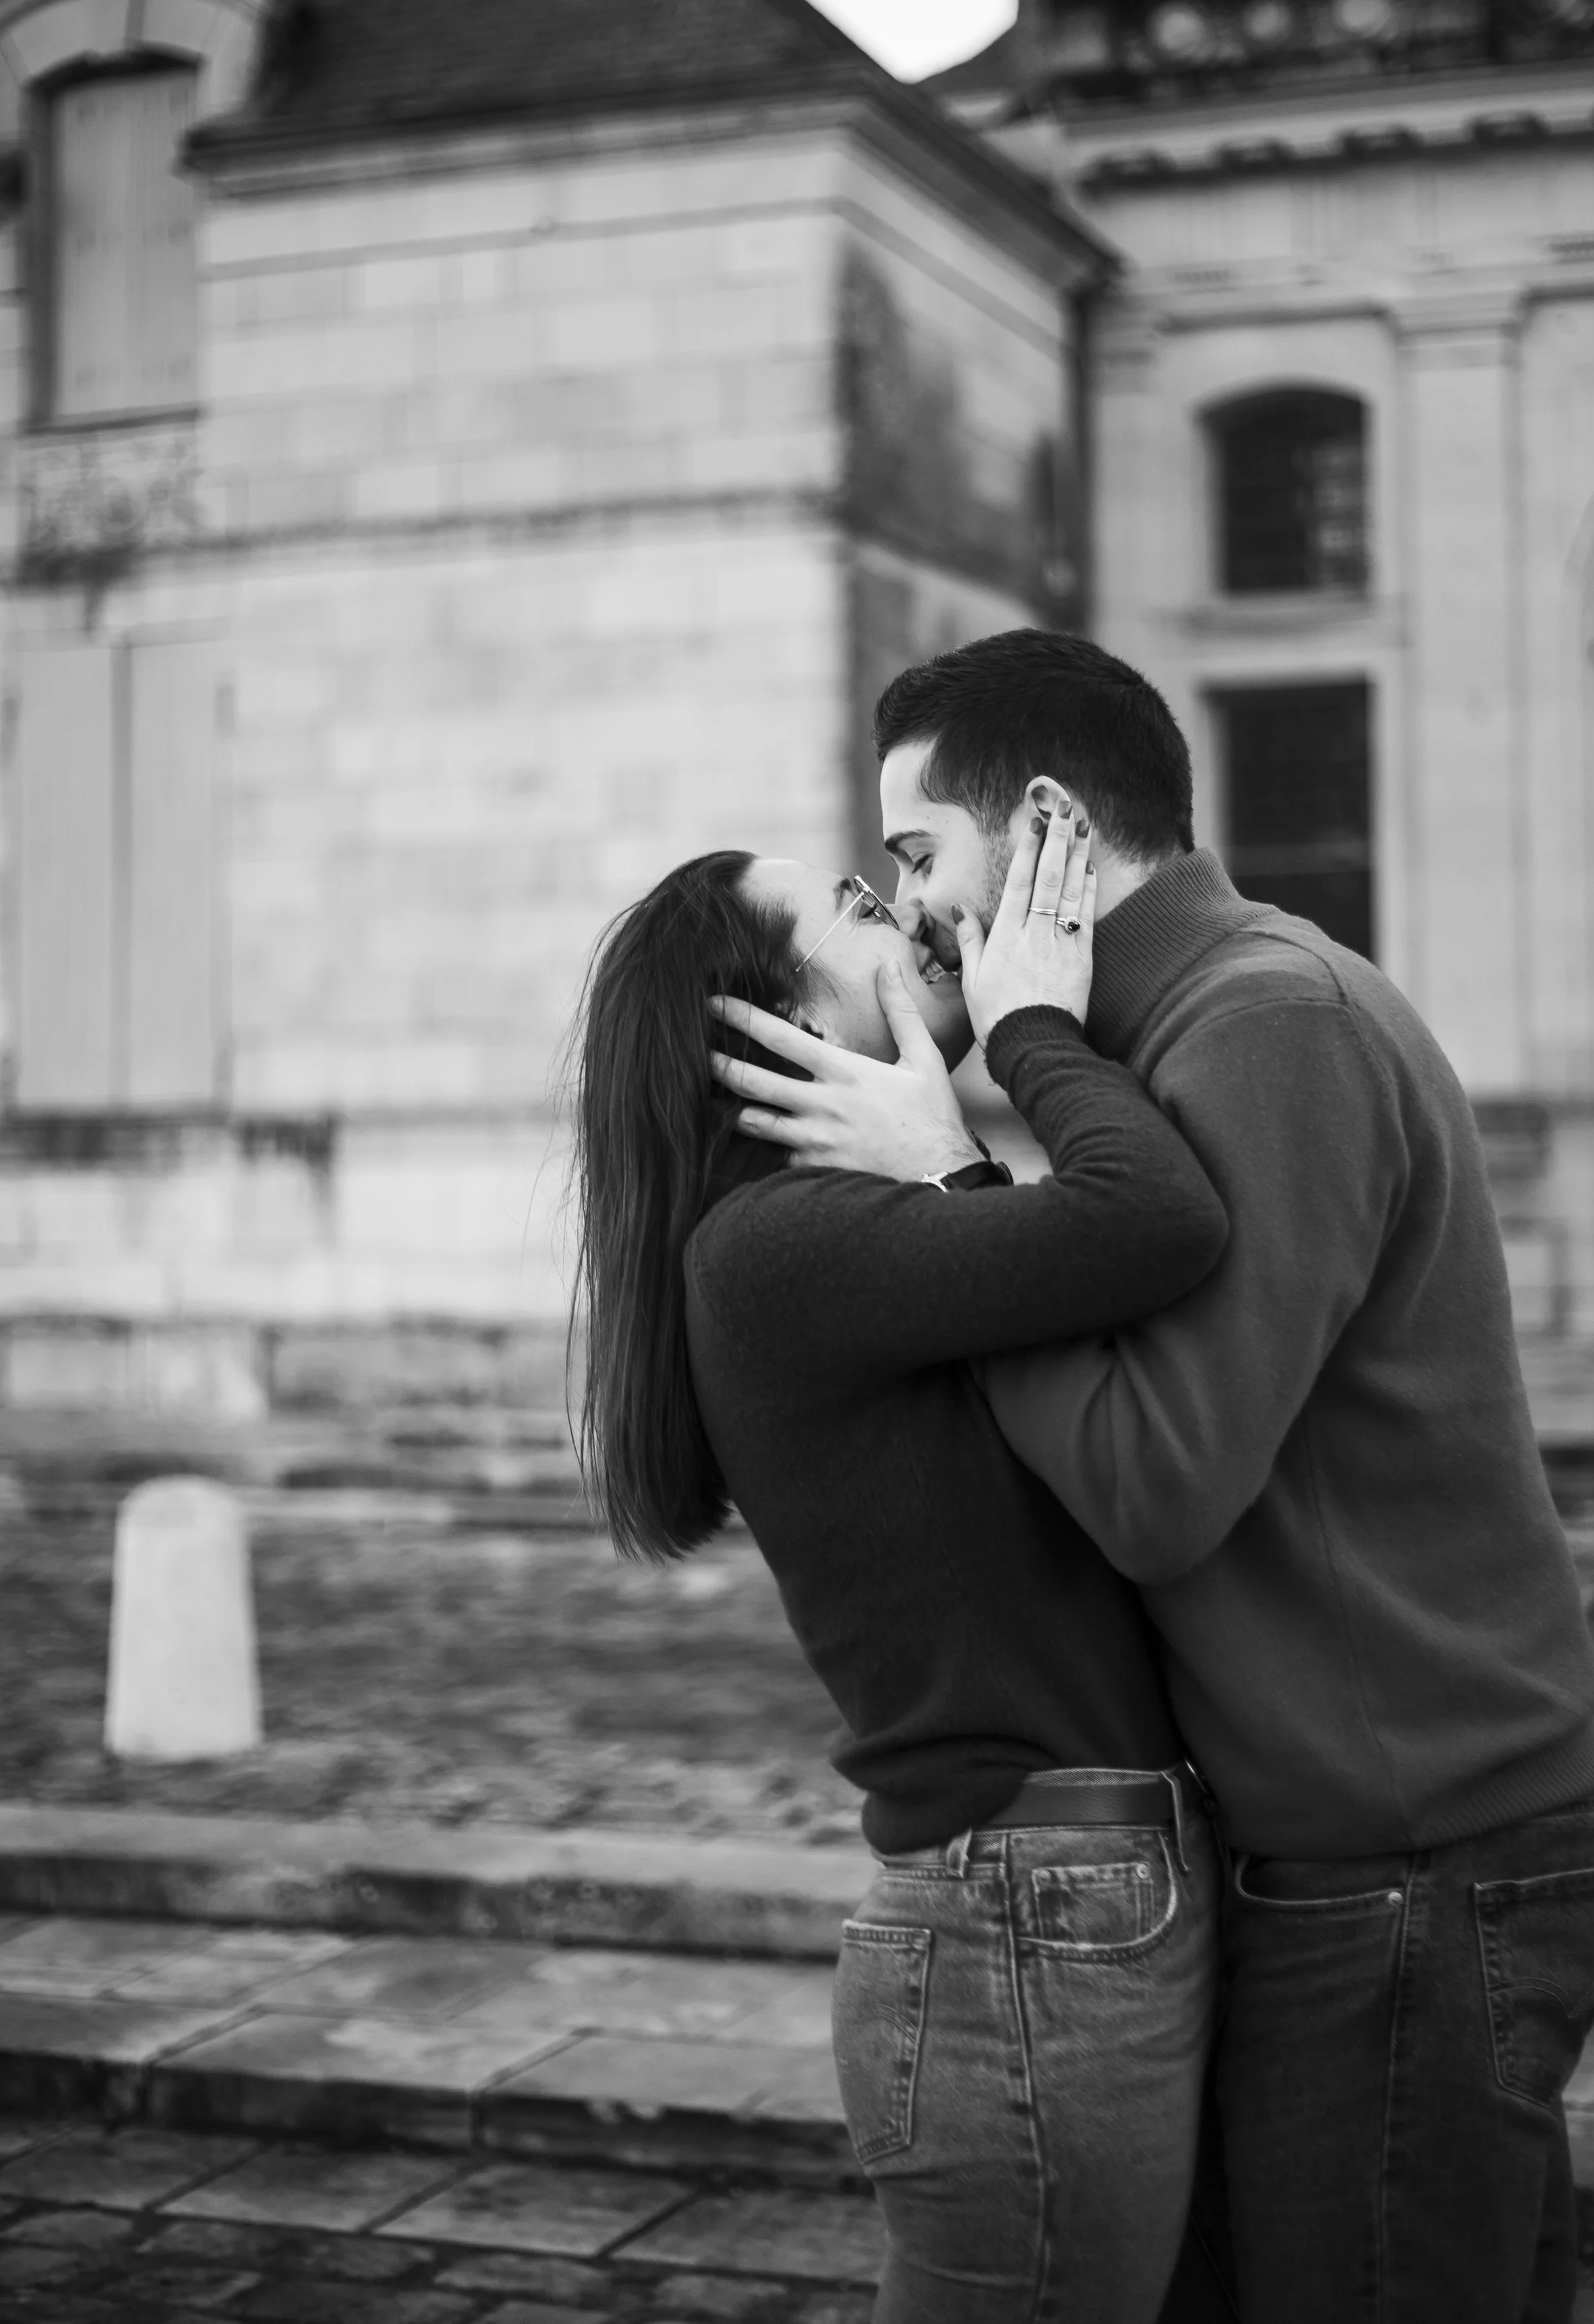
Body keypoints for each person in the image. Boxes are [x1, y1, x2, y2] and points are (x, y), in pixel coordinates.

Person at [723, 627, 1594, 2324]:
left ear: (1048, 823)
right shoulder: (1178, 1034)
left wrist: (952, 1196)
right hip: (1375, 1853)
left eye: (918, 855)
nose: (906, 906)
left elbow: (1155, 1487)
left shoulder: (1260, 1023)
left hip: (1415, 1865)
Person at [569, 807, 1234, 2322]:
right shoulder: (782, 1245)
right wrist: (1035, 1030)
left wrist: (950, 1153)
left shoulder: (830, 1235)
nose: (919, 921)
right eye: (864, 908)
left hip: (1057, 1904)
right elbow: (1155, 1219)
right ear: (787, 1020)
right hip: (1031, 1918)